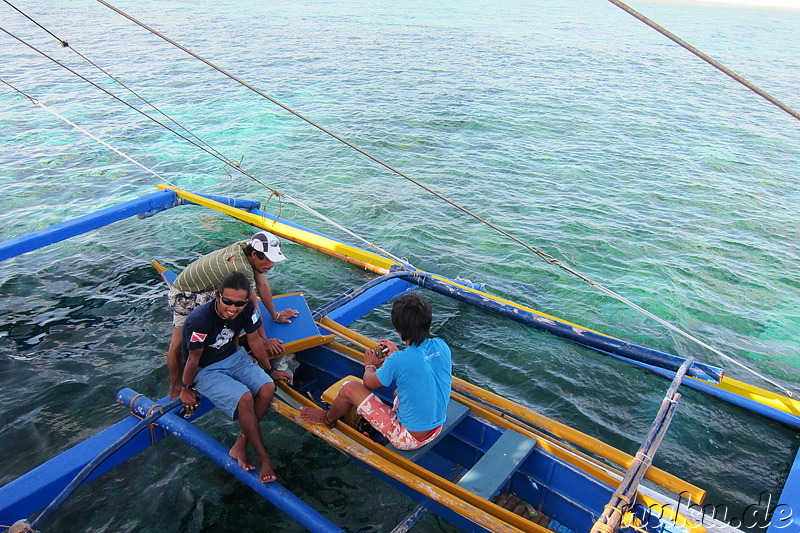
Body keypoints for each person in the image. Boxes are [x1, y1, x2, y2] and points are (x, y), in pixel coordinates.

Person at [300, 293, 452, 451]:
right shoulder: (441, 345)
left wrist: (370, 366)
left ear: (399, 332)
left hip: (409, 439)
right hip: (437, 426)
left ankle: (327, 419)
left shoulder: (398, 360)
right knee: (396, 393)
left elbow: (368, 383)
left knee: (350, 388)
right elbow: (418, 360)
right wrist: (396, 354)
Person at [179, 271, 292, 482]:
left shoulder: (248, 308)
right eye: (227, 301)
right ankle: (263, 457)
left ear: (247, 300)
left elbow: (255, 341)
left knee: (268, 387)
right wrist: (185, 388)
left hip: (234, 356)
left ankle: (241, 444)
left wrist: (269, 371)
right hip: (206, 368)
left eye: (239, 304)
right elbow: (192, 359)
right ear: (217, 295)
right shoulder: (199, 321)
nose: (232, 309)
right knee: (244, 397)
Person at [166, 230, 298, 398]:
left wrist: (275, 315)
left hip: (207, 287)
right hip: (185, 293)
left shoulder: (249, 247)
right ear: (254, 255)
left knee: (232, 313)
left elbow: (262, 284)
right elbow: (252, 307)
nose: (272, 264)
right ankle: (176, 388)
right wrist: (263, 340)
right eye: (268, 259)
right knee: (178, 344)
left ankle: (230, 353)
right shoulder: (241, 268)